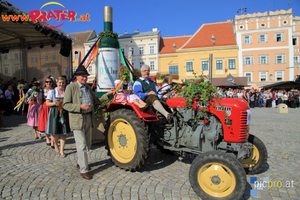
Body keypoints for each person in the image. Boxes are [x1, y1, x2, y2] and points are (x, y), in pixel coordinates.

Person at [63, 65, 114, 180]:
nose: (85, 78)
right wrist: (80, 106)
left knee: (87, 144)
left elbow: (96, 100)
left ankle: (80, 162)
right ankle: (84, 170)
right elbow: (65, 105)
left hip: (88, 118)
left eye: (86, 76)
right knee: (81, 145)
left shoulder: (88, 88)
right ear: (77, 77)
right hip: (77, 120)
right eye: (82, 76)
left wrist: (108, 94)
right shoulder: (71, 88)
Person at [46, 77, 70, 157]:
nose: (61, 84)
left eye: (63, 83)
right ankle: (56, 145)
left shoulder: (66, 92)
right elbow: (47, 103)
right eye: (60, 82)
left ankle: (62, 150)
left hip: (64, 112)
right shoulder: (52, 92)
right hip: (55, 113)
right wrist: (56, 103)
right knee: (55, 132)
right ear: (56, 83)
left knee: (64, 132)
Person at [38, 77, 54, 146]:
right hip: (44, 108)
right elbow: (40, 102)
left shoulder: (54, 90)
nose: (48, 83)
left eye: (50, 82)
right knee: (45, 122)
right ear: (44, 83)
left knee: (52, 123)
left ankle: (52, 138)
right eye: (47, 82)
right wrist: (37, 96)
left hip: (52, 107)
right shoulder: (42, 91)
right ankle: (47, 138)